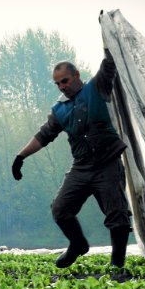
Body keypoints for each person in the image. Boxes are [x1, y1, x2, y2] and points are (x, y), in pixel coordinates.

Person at [11, 45, 131, 270]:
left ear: (76, 75)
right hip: (81, 168)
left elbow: (109, 65)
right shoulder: (60, 109)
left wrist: (109, 36)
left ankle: (117, 264)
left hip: (107, 164)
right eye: (57, 84)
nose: (61, 87)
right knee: (60, 209)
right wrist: (20, 157)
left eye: (64, 81)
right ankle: (78, 244)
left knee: (117, 215)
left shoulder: (97, 88)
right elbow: (44, 135)